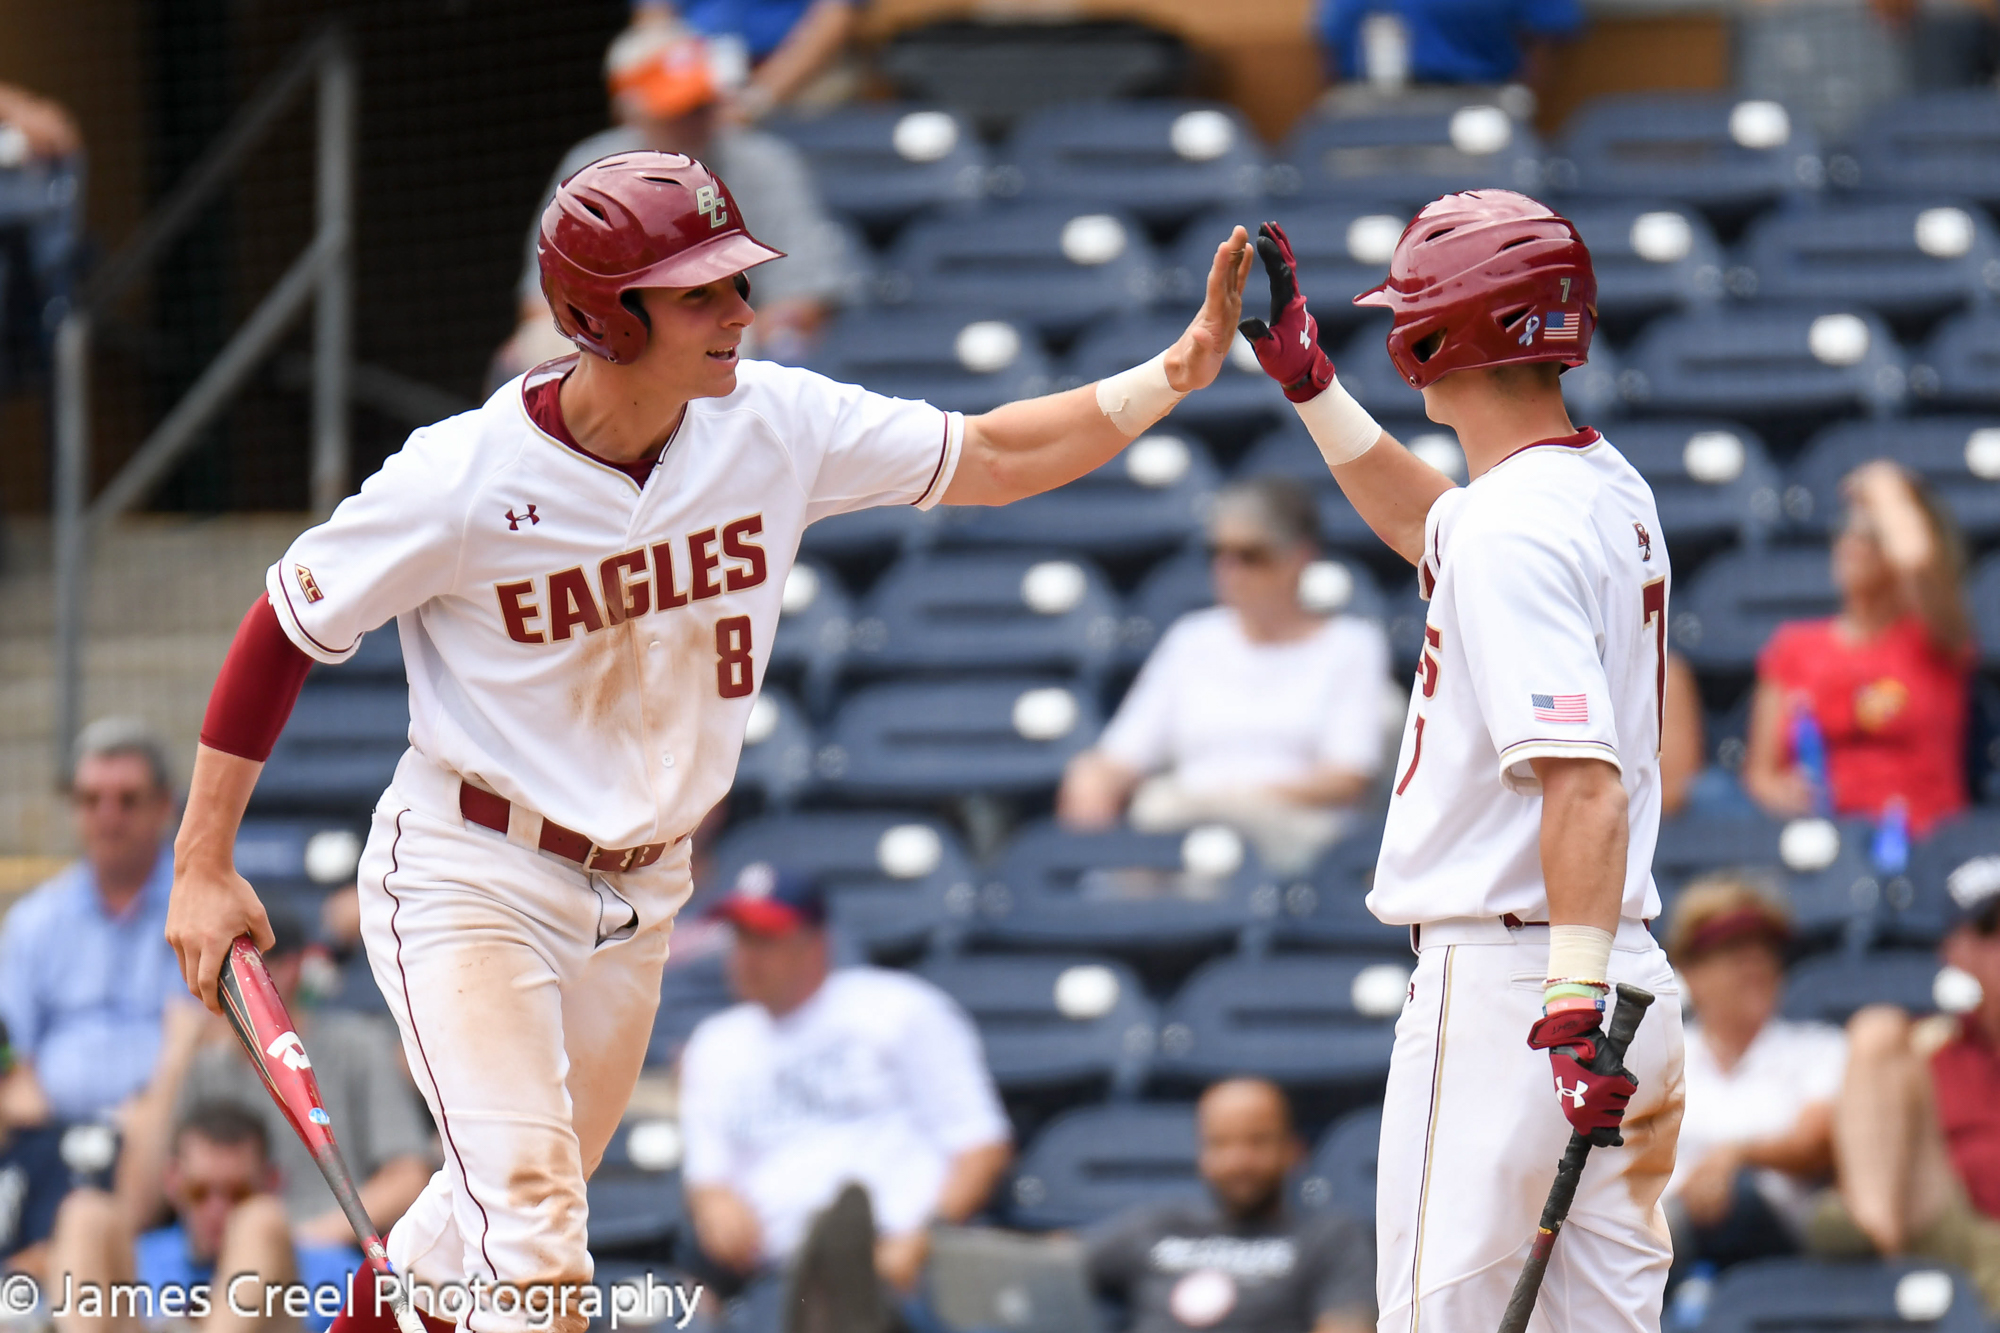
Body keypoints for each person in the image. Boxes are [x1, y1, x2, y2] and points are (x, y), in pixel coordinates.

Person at [165, 150, 1253, 1333]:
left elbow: (988, 455)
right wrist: (203, 861)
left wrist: (1168, 377)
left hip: (644, 891)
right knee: (533, 1236)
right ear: (601, 313)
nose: (743, 310)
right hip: (473, 874)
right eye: (702, 293)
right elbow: (286, 622)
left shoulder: (772, 421)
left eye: (736, 283)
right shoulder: (463, 476)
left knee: (473, 1222)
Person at [1236, 193, 1683, 1331]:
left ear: (1443, 335)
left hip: (1517, 990)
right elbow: (1430, 530)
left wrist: (1564, 1008)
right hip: (1616, 969)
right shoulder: (1596, 484)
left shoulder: (1510, 523)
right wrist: (1309, 387)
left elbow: (1584, 783)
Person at [679, 865, 1011, 1296]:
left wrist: (923, 1240)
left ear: (817, 944)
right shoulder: (713, 1044)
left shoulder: (898, 1009)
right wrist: (714, 1206)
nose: (746, 957)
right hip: (776, 1277)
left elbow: (981, 1148)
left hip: (902, 1261)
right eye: (739, 938)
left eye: (765, 939)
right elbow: (709, 1176)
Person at [1057, 478, 1392, 874]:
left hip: (1295, 837)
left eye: (1251, 555)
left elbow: (1347, 778)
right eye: (1218, 553)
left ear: (1300, 557)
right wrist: (1092, 787)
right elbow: (1119, 757)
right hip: (1188, 829)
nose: (1229, 570)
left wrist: (1236, 799)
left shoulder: (1352, 645)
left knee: (1167, 815)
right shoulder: (1191, 639)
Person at [492, 22, 849, 383]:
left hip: (729, 331)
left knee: (783, 346)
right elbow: (541, 300)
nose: (693, 121)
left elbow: (803, 296)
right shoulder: (591, 169)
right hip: (611, 338)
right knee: (529, 349)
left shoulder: (764, 163)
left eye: (701, 104)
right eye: (675, 110)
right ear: (628, 112)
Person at [109, 911, 433, 1263]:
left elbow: (407, 1179)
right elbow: (136, 1209)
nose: (218, 976)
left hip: (321, 1260)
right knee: (86, 1219)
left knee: (259, 1230)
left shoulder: (355, 1048)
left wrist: (288, 1243)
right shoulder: (202, 1064)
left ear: (290, 968)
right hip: (206, 1263)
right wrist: (174, 1058)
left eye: (233, 964)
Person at [1803, 854, 2000, 1312]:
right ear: (1954, 954)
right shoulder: (1928, 1049)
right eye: (1992, 929)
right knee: (1876, 1031)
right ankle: (1873, 1241)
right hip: (1958, 1239)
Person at [1741, 459, 1972, 836]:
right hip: (1827, 843)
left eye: (1873, 535)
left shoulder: (1935, 636)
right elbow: (1760, 776)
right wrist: (1780, 794)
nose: (1853, 544)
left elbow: (1917, 561)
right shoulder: (1793, 646)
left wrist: (1886, 489)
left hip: (1921, 837)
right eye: (1848, 531)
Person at [0, 718, 187, 1125]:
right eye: (90, 799)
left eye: (127, 799)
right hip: (49, 1135)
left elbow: (213, 1041)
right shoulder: (34, 921)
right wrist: (12, 1076)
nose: (108, 816)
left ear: (165, 805)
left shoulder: (200, 913)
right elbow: (8, 1042)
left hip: (174, 1137)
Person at [1084, 1078, 1374, 1333]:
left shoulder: (1330, 1238)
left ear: (1293, 1150)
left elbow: (1349, 1324)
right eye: (1220, 1144)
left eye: (1257, 1142)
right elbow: (1052, 1269)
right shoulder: (1155, 1226)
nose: (1238, 1162)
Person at [47, 1099, 357, 1333]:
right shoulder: (143, 1256)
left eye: (239, 1194)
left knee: (261, 1223)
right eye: (200, 1192)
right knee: (85, 1213)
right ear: (172, 1182)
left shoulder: (331, 1267)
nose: (217, 1211)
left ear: (272, 1182)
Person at [1663, 876, 1840, 1283]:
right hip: (1665, 1236)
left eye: (1765, 947)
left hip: (1782, 1244)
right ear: (1691, 971)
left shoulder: (1816, 1048)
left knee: (1740, 1198)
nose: (1754, 963)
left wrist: (1737, 1156)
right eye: (1732, 950)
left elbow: (1817, 1143)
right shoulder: (1661, 1057)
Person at [628, 0, 859, 120]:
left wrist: (759, 97)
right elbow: (654, 22)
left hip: (796, 70)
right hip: (697, 66)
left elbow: (834, 18)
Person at [1315, 0, 1581, 102]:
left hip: (1482, 96)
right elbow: (1329, 44)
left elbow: (1550, 36)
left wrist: (1521, 101)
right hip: (1382, 102)